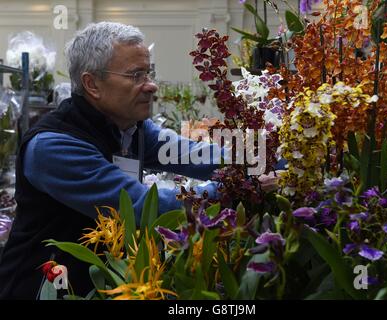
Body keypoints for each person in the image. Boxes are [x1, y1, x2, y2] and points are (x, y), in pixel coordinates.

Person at [0, 22, 280, 299]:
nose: (151, 86)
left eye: (148, 73)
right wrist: (235, 188)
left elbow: (199, 155)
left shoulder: (130, 128)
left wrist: (277, 158)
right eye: (136, 75)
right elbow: (146, 206)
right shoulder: (54, 147)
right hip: (46, 286)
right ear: (92, 84)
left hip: (103, 284)